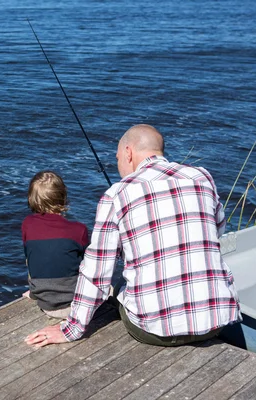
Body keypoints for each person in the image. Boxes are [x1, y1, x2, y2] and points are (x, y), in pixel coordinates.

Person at [25, 124, 241, 347]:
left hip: (155, 331)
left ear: (128, 153)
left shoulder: (117, 195)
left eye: (118, 158)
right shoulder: (201, 178)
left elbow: (97, 272)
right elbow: (216, 231)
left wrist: (71, 329)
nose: (119, 165)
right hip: (217, 322)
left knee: (118, 288)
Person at [21, 170, 90, 319]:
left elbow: (32, 259)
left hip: (45, 304)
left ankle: (35, 291)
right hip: (76, 305)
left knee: (34, 255)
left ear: (31, 198)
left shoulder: (27, 224)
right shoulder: (79, 230)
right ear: (63, 197)